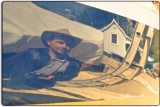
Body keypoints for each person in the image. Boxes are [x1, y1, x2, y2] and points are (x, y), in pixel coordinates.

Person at [3, 29, 82, 88]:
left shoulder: (73, 64)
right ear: (49, 42)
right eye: (60, 42)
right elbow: (7, 66)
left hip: (43, 90)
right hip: (17, 88)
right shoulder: (32, 53)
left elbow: (71, 75)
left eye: (68, 44)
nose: (64, 46)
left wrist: (55, 77)